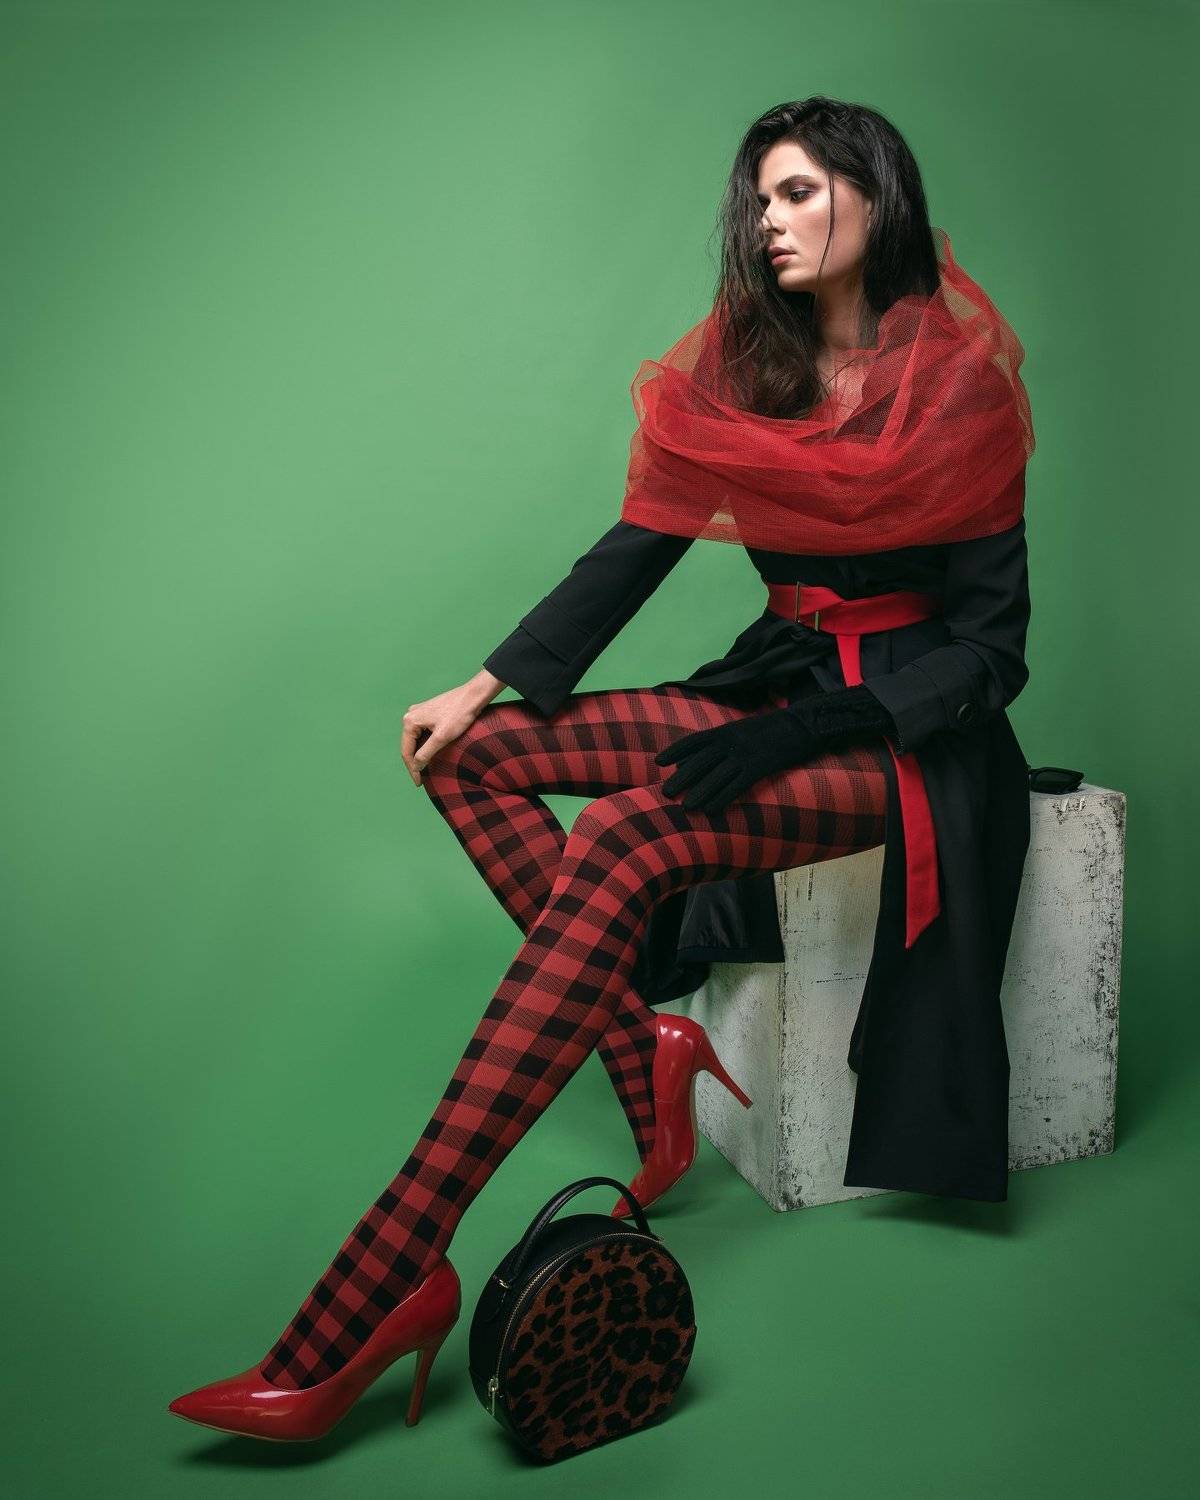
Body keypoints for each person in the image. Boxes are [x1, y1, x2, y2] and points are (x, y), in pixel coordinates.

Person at [167, 95, 1033, 1444]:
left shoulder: (960, 380)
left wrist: (827, 728)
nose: (770, 222)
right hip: (781, 680)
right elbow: (639, 543)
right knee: (474, 758)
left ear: (877, 195)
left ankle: (385, 1271)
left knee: (629, 835)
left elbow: (994, 651)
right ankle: (645, 1048)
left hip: (910, 742)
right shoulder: (754, 363)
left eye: (800, 192)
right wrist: (486, 681)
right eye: (760, 199)